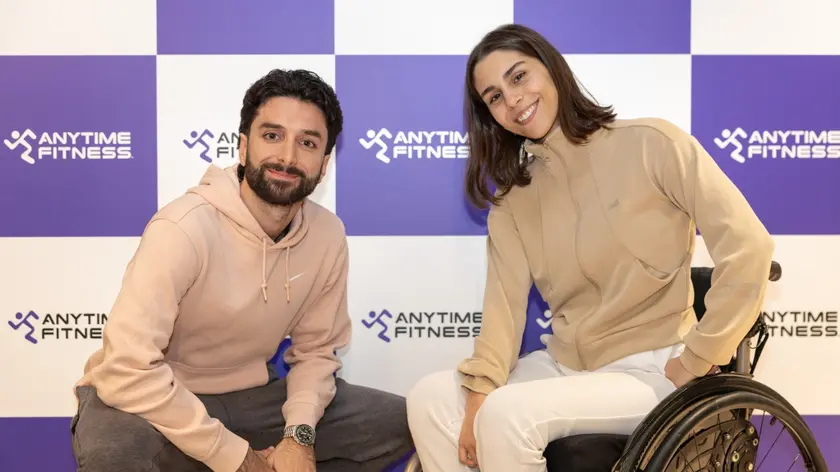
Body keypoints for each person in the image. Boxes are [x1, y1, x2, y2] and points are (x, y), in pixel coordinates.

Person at [405, 23, 774, 472]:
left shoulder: (652, 143)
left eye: (519, 77)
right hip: (566, 366)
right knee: (430, 398)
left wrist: (698, 358)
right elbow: (503, 311)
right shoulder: (512, 202)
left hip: (653, 368)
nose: (513, 99)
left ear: (551, 68)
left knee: (505, 416)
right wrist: (479, 391)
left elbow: (749, 246)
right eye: (494, 96)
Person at [70, 69, 414, 472]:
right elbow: (128, 369)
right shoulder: (182, 228)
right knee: (114, 454)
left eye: (307, 143)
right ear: (243, 146)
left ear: (324, 163)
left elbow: (317, 352)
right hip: (151, 395)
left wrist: (298, 437)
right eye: (272, 136)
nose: (287, 157)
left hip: (251, 397)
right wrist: (238, 458)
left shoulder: (327, 234)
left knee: (401, 421)